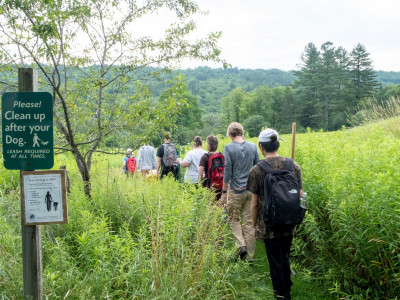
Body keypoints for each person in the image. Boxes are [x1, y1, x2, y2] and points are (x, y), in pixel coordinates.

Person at [247, 128, 303, 300]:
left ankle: (282, 294)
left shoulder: (257, 170)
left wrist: (254, 225)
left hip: (268, 225)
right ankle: (286, 287)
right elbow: (300, 196)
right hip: (289, 221)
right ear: (278, 144)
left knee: (275, 261)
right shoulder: (293, 165)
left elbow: (254, 204)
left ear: (261, 147)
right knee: (285, 255)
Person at [221, 122, 259, 262]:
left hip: (236, 189)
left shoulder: (229, 148)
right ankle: (250, 257)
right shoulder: (253, 146)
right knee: (249, 223)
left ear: (230, 134)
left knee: (233, 218)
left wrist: (224, 191)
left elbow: (228, 170)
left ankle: (240, 245)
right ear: (242, 132)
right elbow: (258, 167)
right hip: (251, 190)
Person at [198, 134, 224, 201]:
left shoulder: (205, 157)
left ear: (208, 145)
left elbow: (200, 174)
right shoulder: (222, 156)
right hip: (221, 186)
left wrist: (201, 186)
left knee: (210, 205)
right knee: (219, 206)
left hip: (209, 186)